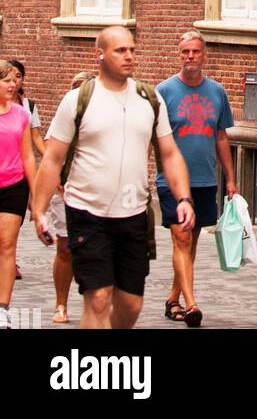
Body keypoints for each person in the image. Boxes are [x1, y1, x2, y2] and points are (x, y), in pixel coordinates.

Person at [31, 26, 194, 330]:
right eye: (121, 50)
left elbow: (170, 154)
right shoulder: (78, 100)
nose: (129, 56)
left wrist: (184, 198)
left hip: (132, 214)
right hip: (86, 212)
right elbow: (53, 158)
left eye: (132, 49)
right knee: (98, 298)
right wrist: (39, 211)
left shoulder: (150, 98)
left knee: (130, 304)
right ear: (100, 55)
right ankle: (95, 372)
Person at [156, 30, 236, 327]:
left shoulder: (217, 91)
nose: (190, 57)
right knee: (182, 238)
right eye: (185, 52)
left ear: (204, 55)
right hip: (172, 182)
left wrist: (230, 177)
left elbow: (222, 136)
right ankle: (191, 304)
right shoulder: (163, 91)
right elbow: (154, 137)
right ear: (179, 55)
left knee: (191, 243)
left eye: (195, 52)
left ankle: (172, 299)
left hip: (204, 179)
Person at [44, 70, 95, 324]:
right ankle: (61, 304)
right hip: (65, 190)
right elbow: (52, 154)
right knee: (65, 248)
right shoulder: (64, 116)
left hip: (97, 192)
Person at [0, 59, 36, 329]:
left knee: (7, 245)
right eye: (7, 80)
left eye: (15, 80)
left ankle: (3, 308)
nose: (13, 85)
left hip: (14, 186)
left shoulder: (21, 114)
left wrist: (37, 195)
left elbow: (28, 157)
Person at [8, 60, 46, 156]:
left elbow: (36, 136)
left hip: (21, 160)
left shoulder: (29, 105)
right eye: (10, 76)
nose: (14, 81)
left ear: (23, 79)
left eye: (18, 76)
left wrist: (49, 160)